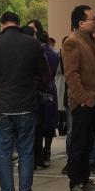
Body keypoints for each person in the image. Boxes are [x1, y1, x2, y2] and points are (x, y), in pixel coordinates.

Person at [0, 12, 50, 191]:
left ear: (2, 25)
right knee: (26, 151)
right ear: (19, 24)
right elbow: (45, 73)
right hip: (27, 104)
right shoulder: (32, 43)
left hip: (2, 104)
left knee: (4, 152)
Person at [60, 5, 95, 191]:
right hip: (83, 102)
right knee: (78, 144)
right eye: (92, 19)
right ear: (80, 23)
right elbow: (71, 75)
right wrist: (84, 98)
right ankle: (75, 183)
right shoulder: (72, 42)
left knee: (88, 142)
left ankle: (85, 179)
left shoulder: (91, 40)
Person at [34, 29, 60, 169]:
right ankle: (47, 151)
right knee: (49, 123)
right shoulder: (54, 53)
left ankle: (38, 154)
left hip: (40, 90)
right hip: (50, 90)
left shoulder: (38, 53)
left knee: (39, 123)